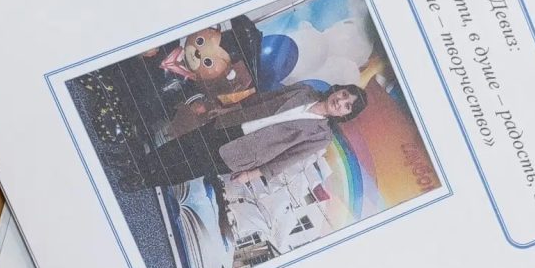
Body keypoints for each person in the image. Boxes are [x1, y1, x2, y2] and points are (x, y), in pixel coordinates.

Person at [118, 81, 367, 190]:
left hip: (244, 154)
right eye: (344, 95)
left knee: (190, 168)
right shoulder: (305, 90)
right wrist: (230, 109)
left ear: (345, 115)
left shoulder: (322, 137)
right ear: (338, 90)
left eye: (347, 106)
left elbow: (288, 158)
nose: (340, 102)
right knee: (181, 146)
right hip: (232, 124)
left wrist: (252, 174)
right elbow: (263, 98)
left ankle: (145, 181)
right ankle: (136, 165)